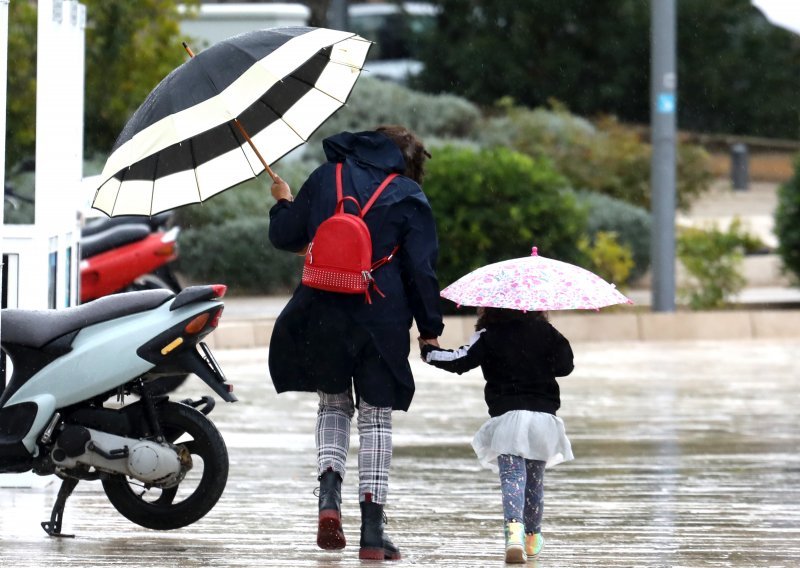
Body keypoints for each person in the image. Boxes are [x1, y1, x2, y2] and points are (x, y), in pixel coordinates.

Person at [267, 126, 444, 561]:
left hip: (324, 310)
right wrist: (429, 328)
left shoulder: (327, 177)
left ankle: (329, 499)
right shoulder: (406, 194)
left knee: (332, 405)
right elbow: (420, 271)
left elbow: (287, 236)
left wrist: (283, 202)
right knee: (376, 419)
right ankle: (372, 530)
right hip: (381, 318)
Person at [420, 307, 574, 563]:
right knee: (534, 482)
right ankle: (532, 536)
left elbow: (459, 360)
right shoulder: (547, 332)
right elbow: (566, 366)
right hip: (543, 419)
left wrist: (428, 352)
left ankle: (514, 534)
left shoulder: (489, 334)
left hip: (508, 418)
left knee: (513, 478)